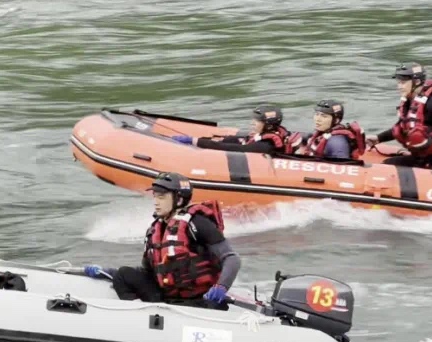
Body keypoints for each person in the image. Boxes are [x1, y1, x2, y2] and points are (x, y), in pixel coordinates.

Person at [81, 172, 242, 310]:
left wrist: (221, 287)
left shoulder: (197, 223)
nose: (156, 202)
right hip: (166, 298)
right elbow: (149, 273)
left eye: (162, 197)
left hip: (199, 300)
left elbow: (231, 258)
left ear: (179, 200)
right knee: (124, 275)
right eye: (155, 197)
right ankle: (141, 316)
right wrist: (106, 272)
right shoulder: (154, 230)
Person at [366, 63, 432, 172]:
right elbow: (402, 128)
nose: (399, 86)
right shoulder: (409, 102)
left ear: (417, 82)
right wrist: (378, 138)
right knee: (387, 166)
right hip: (423, 158)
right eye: (399, 82)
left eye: (403, 83)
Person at [170, 104, 292, 154]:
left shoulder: (265, 146)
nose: (252, 123)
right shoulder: (268, 136)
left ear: (269, 126)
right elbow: (234, 141)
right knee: (231, 139)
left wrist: (195, 141)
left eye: (257, 121)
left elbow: (235, 149)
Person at [297, 99, 366, 160]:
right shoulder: (324, 132)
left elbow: (343, 167)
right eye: (317, 114)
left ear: (336, 121)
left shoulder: (337, 143)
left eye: (324, 116)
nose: (317, 119)